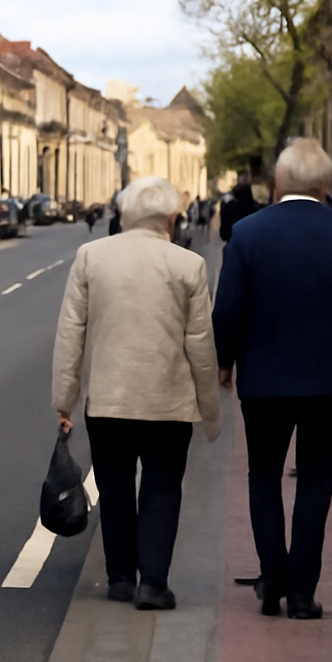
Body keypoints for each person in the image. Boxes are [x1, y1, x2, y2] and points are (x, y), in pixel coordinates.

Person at [212, 138, 332, 620]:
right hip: (329, 382)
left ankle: (272, 577)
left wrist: (224, 361)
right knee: (316, 480)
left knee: (264, 475)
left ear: (277, 182)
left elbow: (227, 311)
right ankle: (304, 594)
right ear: (327, 185)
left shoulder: (247, 233)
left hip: (264, 381)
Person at [52, 176, 223, 611]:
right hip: (168, 400)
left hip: (108, 399)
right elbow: (201, 346)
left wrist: (65, 399)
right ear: (171, 218)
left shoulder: (91, 257)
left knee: (114, 488)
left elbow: (71, 333)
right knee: (162, 488)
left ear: (124, 214)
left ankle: (120, 578)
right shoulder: (188, 265)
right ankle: (154, 583)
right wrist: (210, 410)